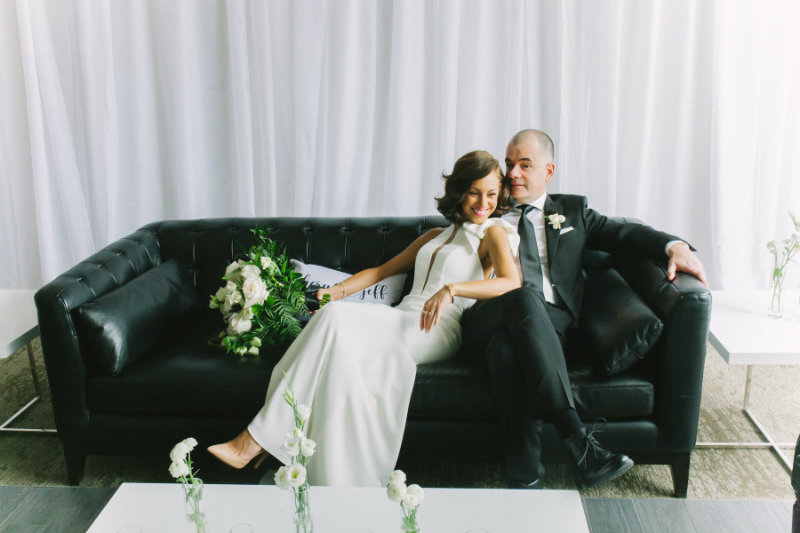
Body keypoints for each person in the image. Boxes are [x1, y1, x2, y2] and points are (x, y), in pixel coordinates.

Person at [207, 150, 523, 486]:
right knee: (332, 320)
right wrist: (332, 292)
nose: (483, 203)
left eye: (491, 194)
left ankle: (253, 443)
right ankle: (284, 452)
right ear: (460, 191)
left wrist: (452, 289)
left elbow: (511, 281)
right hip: (401, 318)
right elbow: (381, 271)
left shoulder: (494, 233)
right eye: (474, 192)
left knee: (336, 319)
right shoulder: (435, 236)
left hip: (437, 328)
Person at [460, 129, 708, 490]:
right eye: (510, 164)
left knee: (508, 352)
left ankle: (524, 477)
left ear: (548, 171)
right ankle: (576, 438)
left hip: (550, 326)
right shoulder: (486, 205)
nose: (512, 174)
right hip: (488, 314)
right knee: (524, 295)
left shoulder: (572, 211)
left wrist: (674, 245)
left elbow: (627, 233)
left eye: (525, 165)